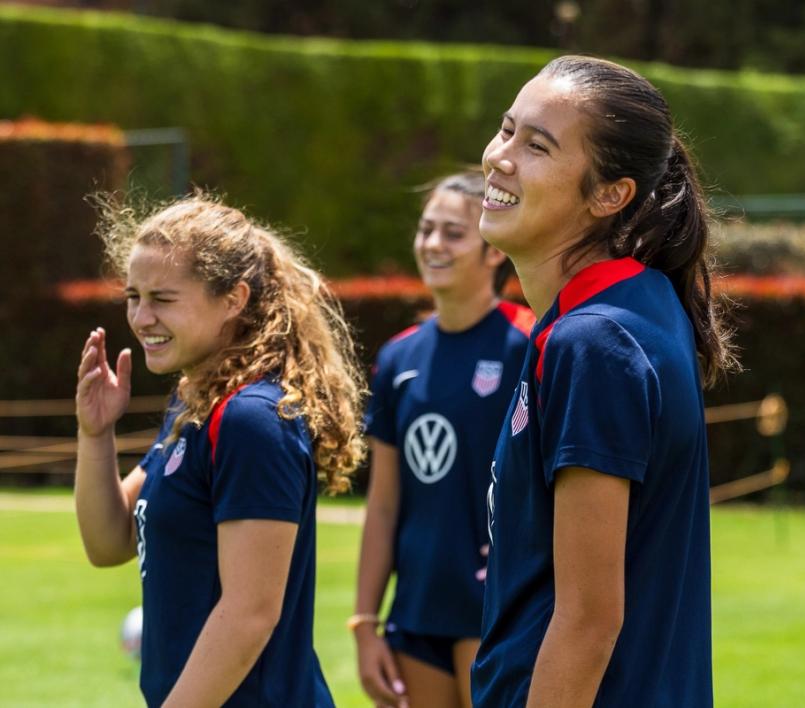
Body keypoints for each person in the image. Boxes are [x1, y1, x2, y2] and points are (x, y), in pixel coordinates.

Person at [471, 56, 738, 707]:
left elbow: (589, 621)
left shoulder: (593, 342)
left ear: (609, 195)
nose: (500, 157)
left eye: (537, 146)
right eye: (507, 130)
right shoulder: (625, 309)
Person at [74, 194, 366, 707]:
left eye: (162, 299)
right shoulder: (196, 405)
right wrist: (95, 434)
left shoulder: (250, 419)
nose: (141, 318)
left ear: (233, 299)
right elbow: (109, 542)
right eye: (133, 296)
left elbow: (250, 613)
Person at [352, 172, 533, 708]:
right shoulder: (397, 358)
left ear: (493, 249)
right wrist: (365, 623)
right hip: (417, 612)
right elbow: (384, 505)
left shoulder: (530, 342)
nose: (433, 244)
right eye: (426, 229)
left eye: (453, 233)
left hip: (499, 607)